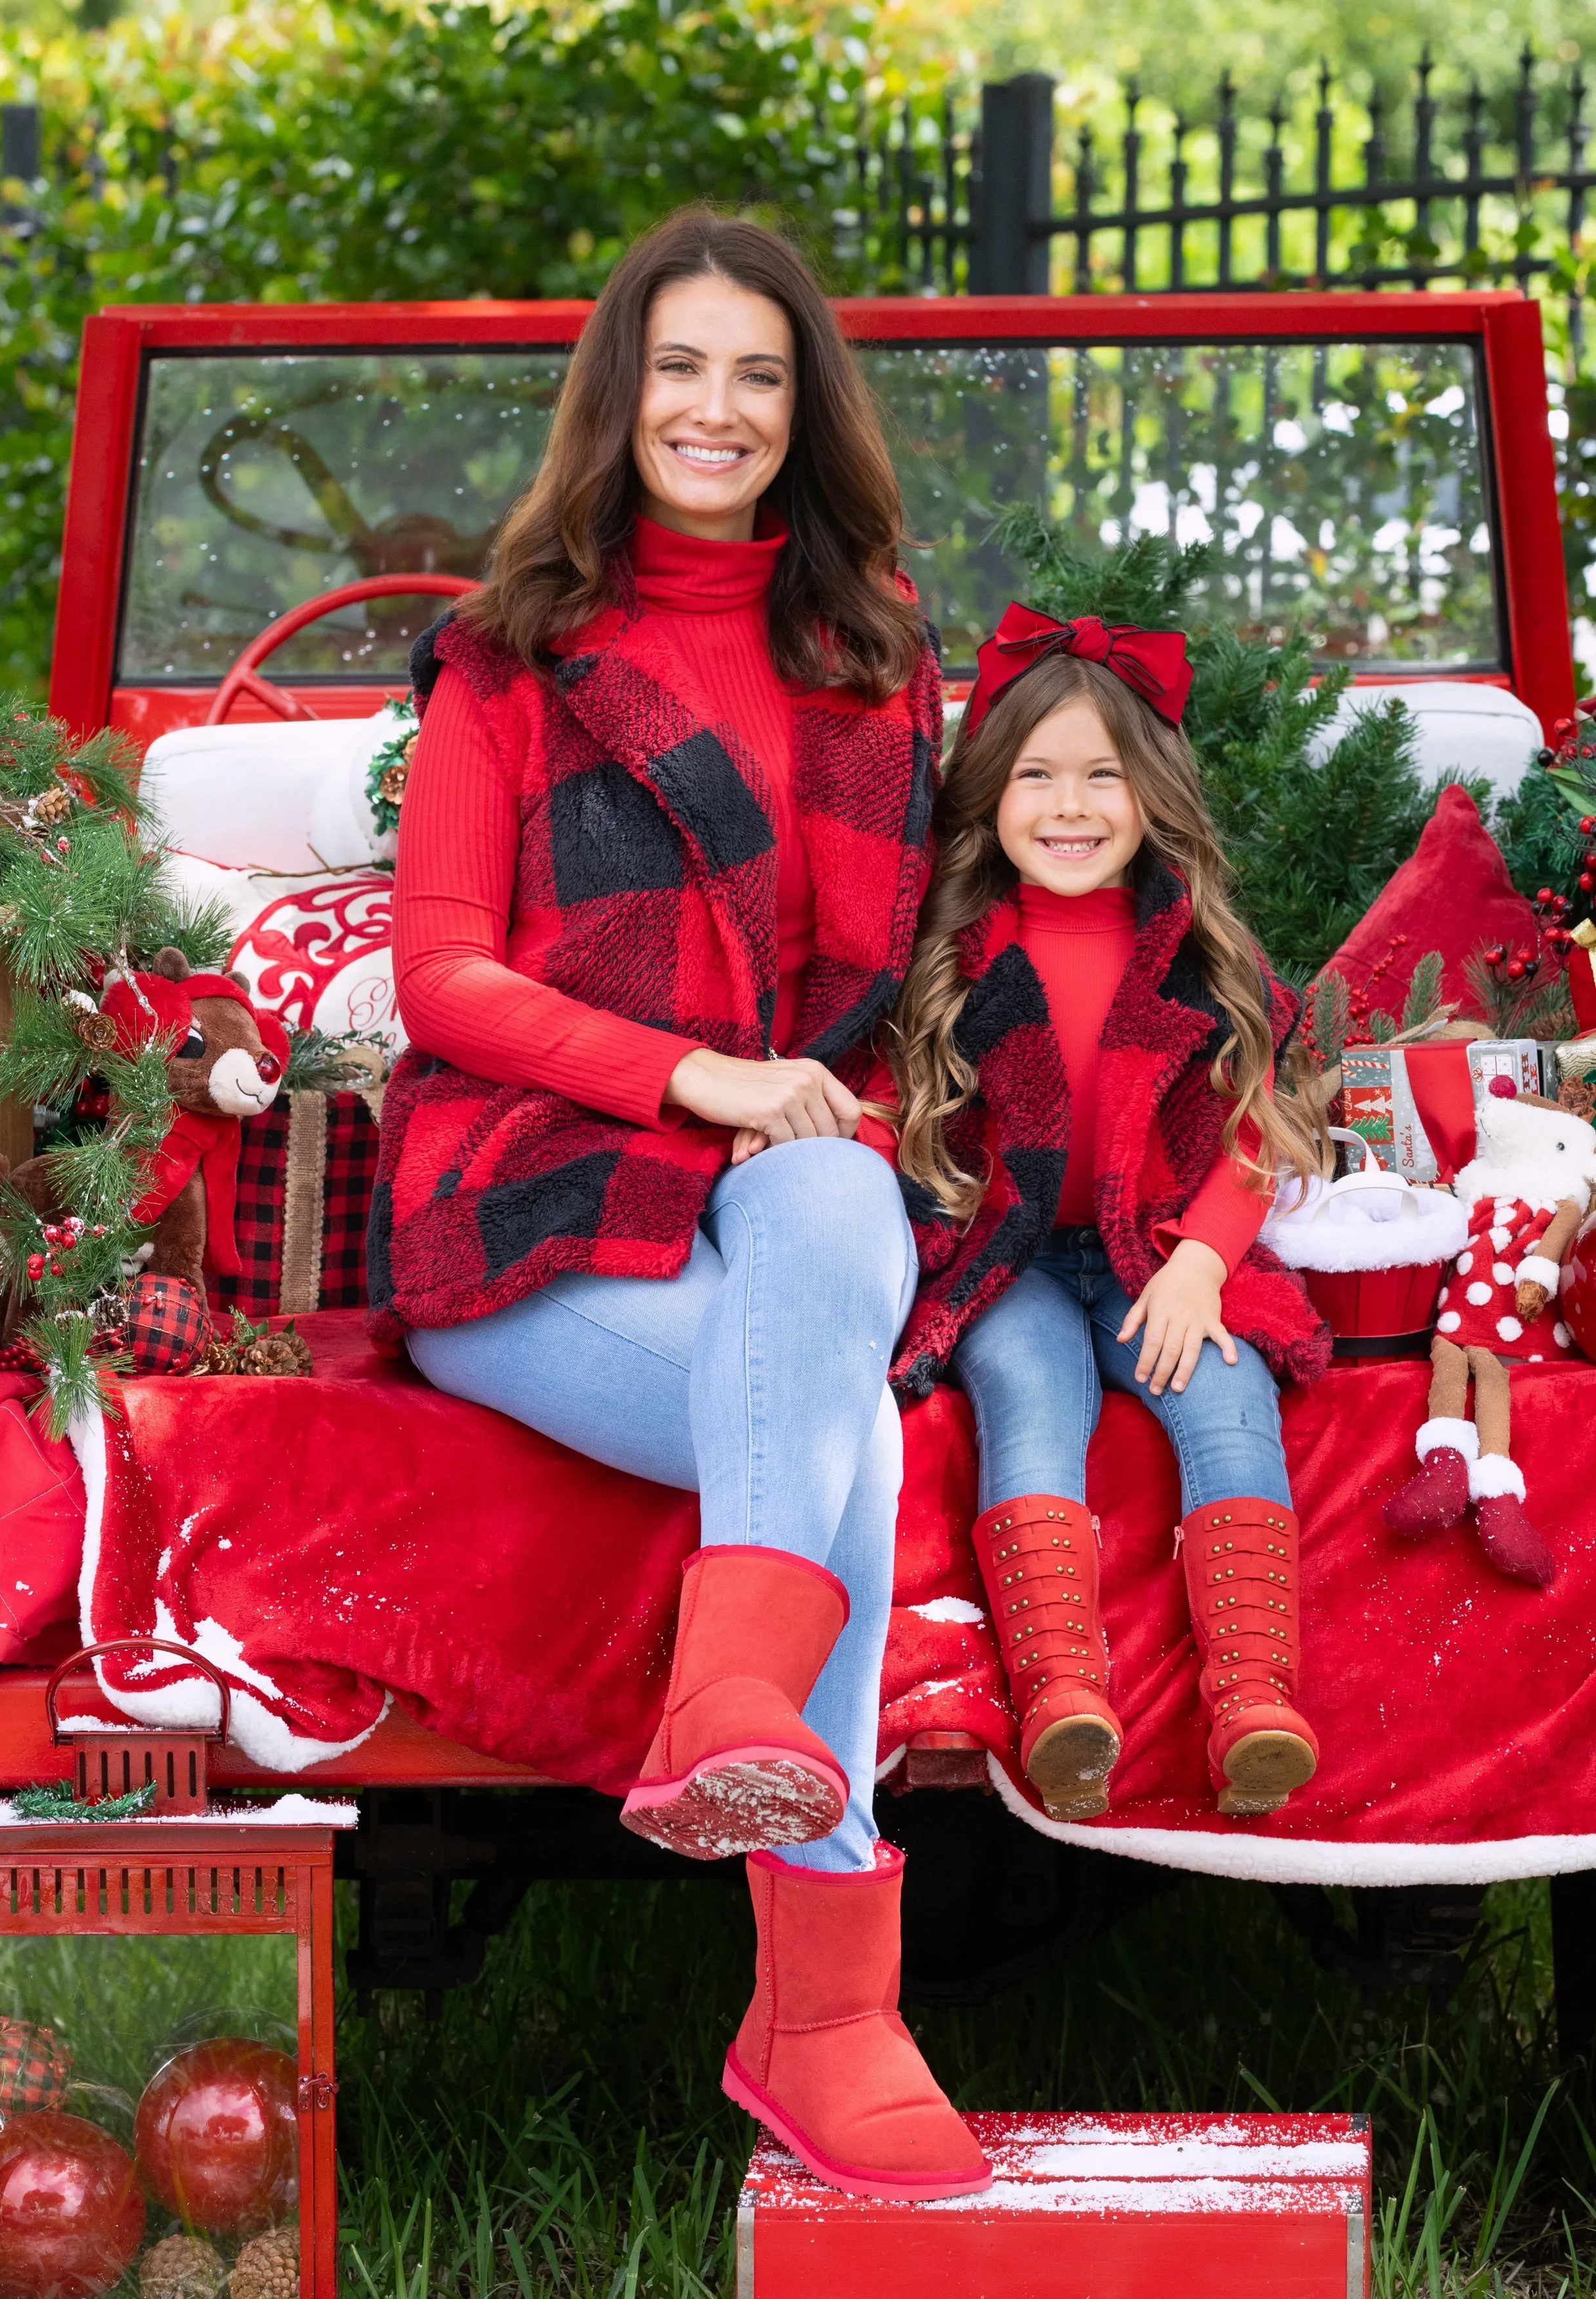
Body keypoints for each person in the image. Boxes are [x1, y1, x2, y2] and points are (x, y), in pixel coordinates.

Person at [369, 208, 989, 2202]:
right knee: (850, 1445)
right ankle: (825, 2014)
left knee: (830, 1208)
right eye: (681, 369)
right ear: (619, 396)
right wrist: (703, 1079)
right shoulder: (511, 659)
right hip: (530, 1209)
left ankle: (736, 1700)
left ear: (803, 412)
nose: (716, 409)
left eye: (759, 374)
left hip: (791, 1213)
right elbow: (441, 974)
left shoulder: (874, 657)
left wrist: (831, 1125)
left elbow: (906, 988)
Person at [884, 604, 1332, 1829]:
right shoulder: (955, 956)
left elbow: (1255, 1128)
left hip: (1160, 1252)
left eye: (1104, 775)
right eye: (1036, 774)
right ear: (988, 795)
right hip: (1010, 1261)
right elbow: (899, 1125)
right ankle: (1064, 1698)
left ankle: (1255, 1702)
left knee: (1228, 1393)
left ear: (1153, 797)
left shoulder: (1189, 954)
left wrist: (1203, 1264)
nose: (1070, 806)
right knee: (1028, 1394)